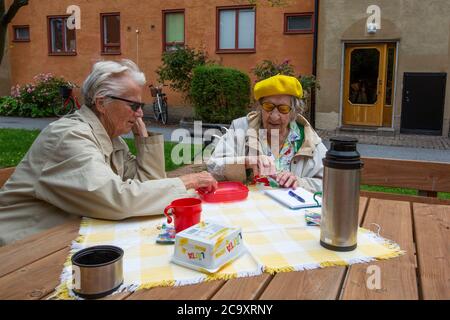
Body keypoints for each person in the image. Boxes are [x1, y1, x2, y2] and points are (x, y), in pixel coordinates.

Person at [0, 59, 217, 246]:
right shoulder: (70, 136)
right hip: (20, 250)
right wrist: (187, 181)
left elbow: (146, 187)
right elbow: (119, 200)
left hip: (66, 238)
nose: (141, 113)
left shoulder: (111, 137)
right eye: (134, 105)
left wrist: (142, 137)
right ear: (102, 103)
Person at [207, 74, 327, 192]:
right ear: (260, 108)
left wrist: (300, 182)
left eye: (283, 108)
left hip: (292, 210)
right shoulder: (241, 128)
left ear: (293, 112)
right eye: (268, 106)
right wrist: (245, 162)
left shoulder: (309, 139)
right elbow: (212, 167)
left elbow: (329, 182)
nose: (274, 116)